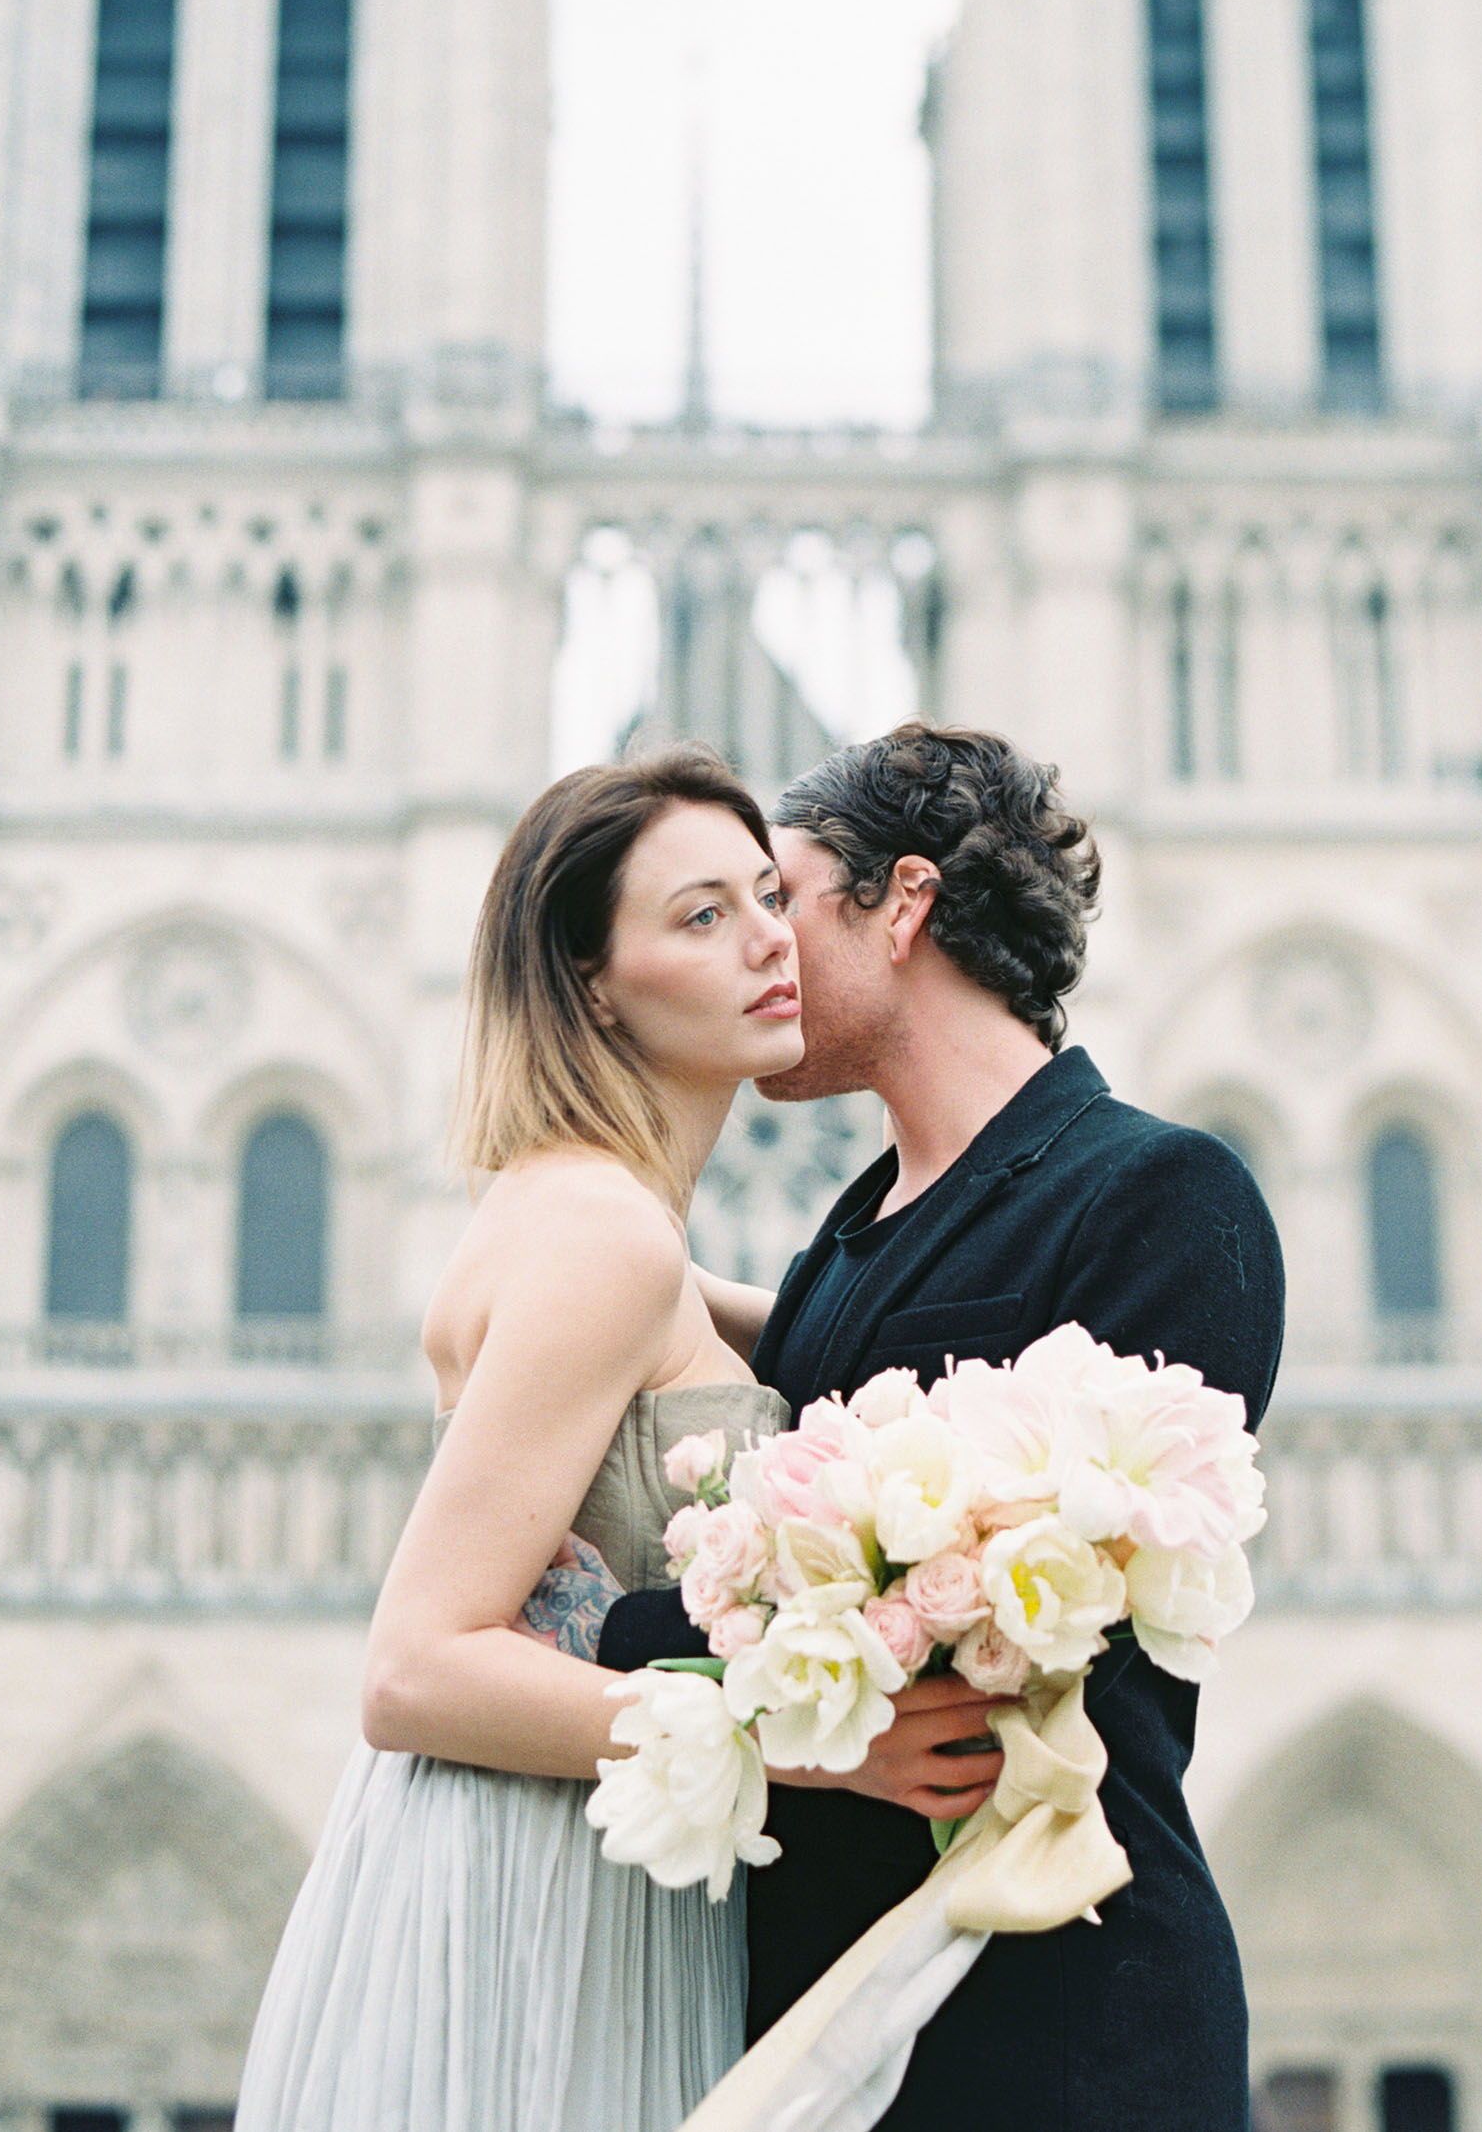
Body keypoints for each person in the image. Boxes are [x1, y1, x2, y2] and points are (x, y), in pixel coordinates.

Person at [234, 744, 1007, 2132]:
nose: (769, 939)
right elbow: (413, 1667)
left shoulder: (589, 1215)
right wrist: (808, 1745)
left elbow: (803, 1339)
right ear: (592, 979)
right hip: (540, 1889)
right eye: (700, 915)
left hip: (529, 1858)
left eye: (769, 894)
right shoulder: (603, 1237)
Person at [599, 721, 1286, 2132]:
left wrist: (588, 1633)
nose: (760, 950)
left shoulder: (1158, 1194)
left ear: (903, 901)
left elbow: (1018, 1604)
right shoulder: (841, 1246)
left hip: (1054, 2014)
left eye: (781, 900)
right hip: (831, 2009)